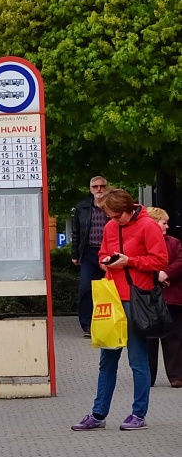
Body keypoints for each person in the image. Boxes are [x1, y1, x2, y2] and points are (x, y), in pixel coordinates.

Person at [71, 189, 168, 432]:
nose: (113, 221)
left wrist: (130, 261)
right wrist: (106, 260)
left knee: (137, 360)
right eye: (110, 217)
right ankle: (98, 413)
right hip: (112, 299)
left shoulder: (148, 226)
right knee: (107, 361)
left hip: (137, 299)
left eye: (116, 216)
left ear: (128, 210)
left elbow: (160, 260)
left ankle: (138, 413)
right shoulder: (110, 228)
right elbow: (103, 252)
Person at [143, 207, 182, 388]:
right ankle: (148, 377)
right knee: (149, 338)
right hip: (149, 296)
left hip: (172, 297)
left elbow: (180, 261)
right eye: (163, 223)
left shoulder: (174, 242)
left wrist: (165, 273)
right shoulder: (142, 242)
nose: (167, 226)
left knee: (174, 336)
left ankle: (176, 376)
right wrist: (156, 275)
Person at [72, 176, 112, 336]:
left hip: (109, 253)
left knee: (109, 289)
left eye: (102, 186)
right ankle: (87, 325)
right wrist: (75, 254)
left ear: (106, 187)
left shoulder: (112, 206)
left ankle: (108, 323)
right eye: (95, 186)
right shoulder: (82, 207)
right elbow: (76, 232)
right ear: (90, 189)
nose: (99, 189)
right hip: (89, 252)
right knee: (85, 288)